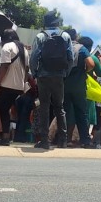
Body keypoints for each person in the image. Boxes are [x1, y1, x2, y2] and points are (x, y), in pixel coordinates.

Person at [29, 11, 73, 150]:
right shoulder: (65, 36)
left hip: (43, 75)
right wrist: (65, 73)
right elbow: (70, 57)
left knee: (44, 107)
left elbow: (34, 57)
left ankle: (44, 140)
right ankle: (63, 140)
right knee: (60, 108)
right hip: (59, 76)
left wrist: (34, 72)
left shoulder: (40, 36)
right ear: (57, 23)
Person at [0, 29, 28, 146]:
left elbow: (4, 67)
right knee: (5, 110)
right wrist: (23, 85)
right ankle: (5, 138)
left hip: (5, 85)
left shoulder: (7, 47)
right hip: (17, 87)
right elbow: (27, 69)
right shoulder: (24, 49)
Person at [63, 29, 95, 148]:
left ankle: (65, 139)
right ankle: (85, 141)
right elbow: (91, 64)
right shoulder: (81, 48)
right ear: (76, 37)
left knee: (65, 113)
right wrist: (85, 71)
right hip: (78, 85)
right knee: (81, 113)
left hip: (64, 84)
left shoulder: (62, 47)